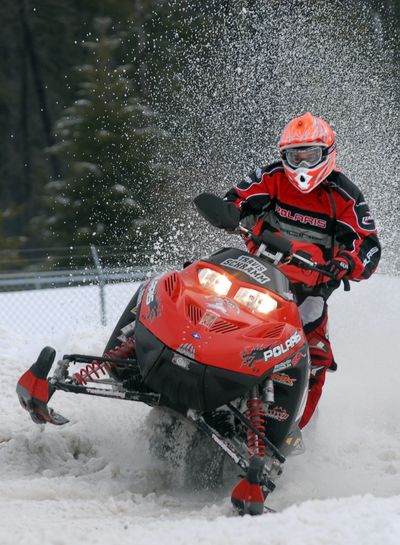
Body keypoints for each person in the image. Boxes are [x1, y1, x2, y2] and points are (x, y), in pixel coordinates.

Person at [224, 112, 381, 428]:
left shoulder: (345, 194)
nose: (302, 165)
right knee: (208, 299)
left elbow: (369, 245)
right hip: (259, 274)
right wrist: (227, 211)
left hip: (310, 291)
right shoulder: (271, 177)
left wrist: (347, 262)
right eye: (295, 156)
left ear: (326, 154)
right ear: (284, 156)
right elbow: (238, 197)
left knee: (317, 356)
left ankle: (291, 430)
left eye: (310, 155)